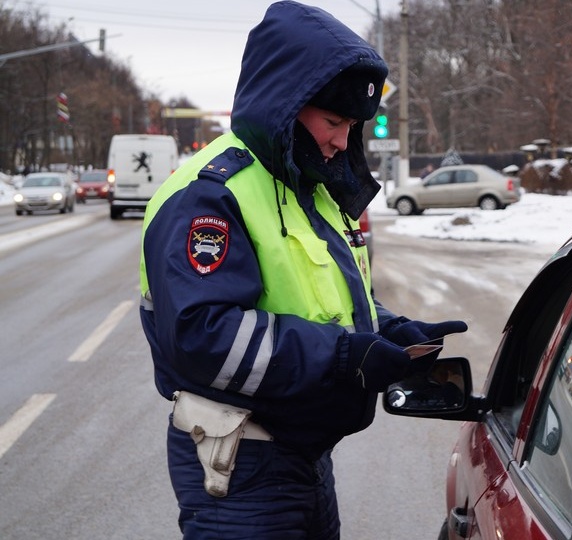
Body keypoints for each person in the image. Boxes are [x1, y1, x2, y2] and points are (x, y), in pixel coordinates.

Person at [138, 3, 467, 538]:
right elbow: (202, 335)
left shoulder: (304, 186)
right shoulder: (212, 193)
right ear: (284, 106)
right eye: (333, 121)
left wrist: (385, 330)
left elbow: (316, 296)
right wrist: (343, 356)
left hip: (301, 455)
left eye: (351, 126)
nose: (342, 140)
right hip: (242, 463)